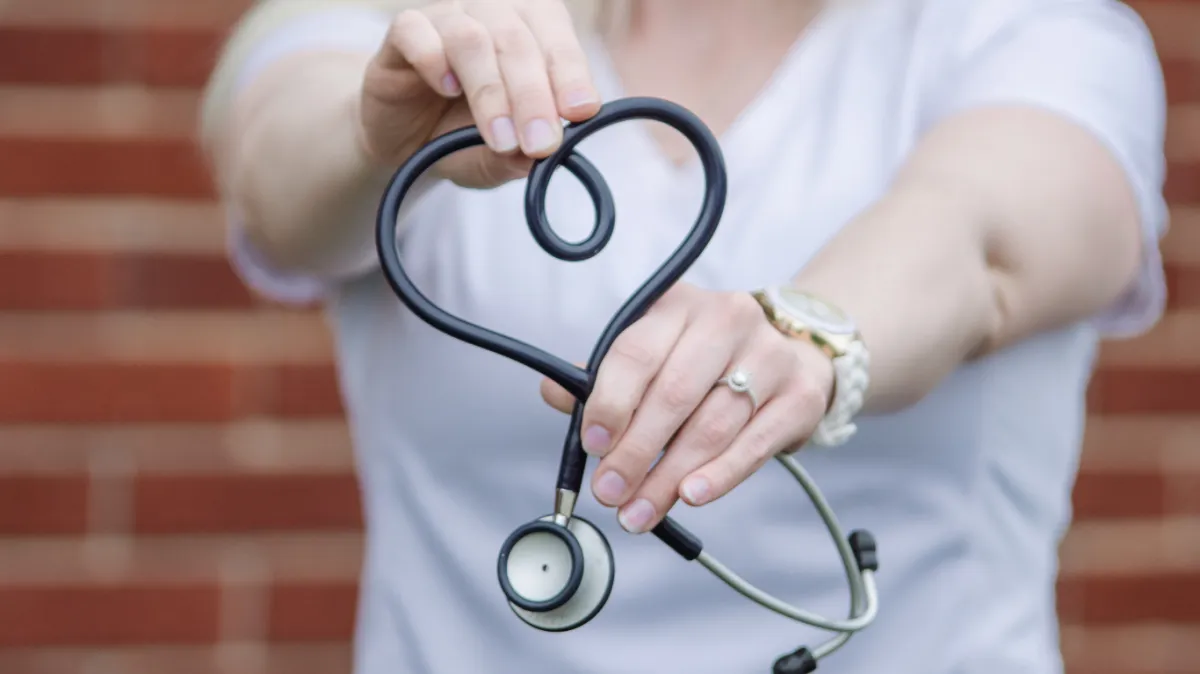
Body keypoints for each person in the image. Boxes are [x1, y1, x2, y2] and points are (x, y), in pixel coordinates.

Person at [199, 0, 1169, 672]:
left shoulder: (1032, 34)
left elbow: (980, 238)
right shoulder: (418, 30)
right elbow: (278, 183)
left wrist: (807, 336)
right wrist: (382, 133)